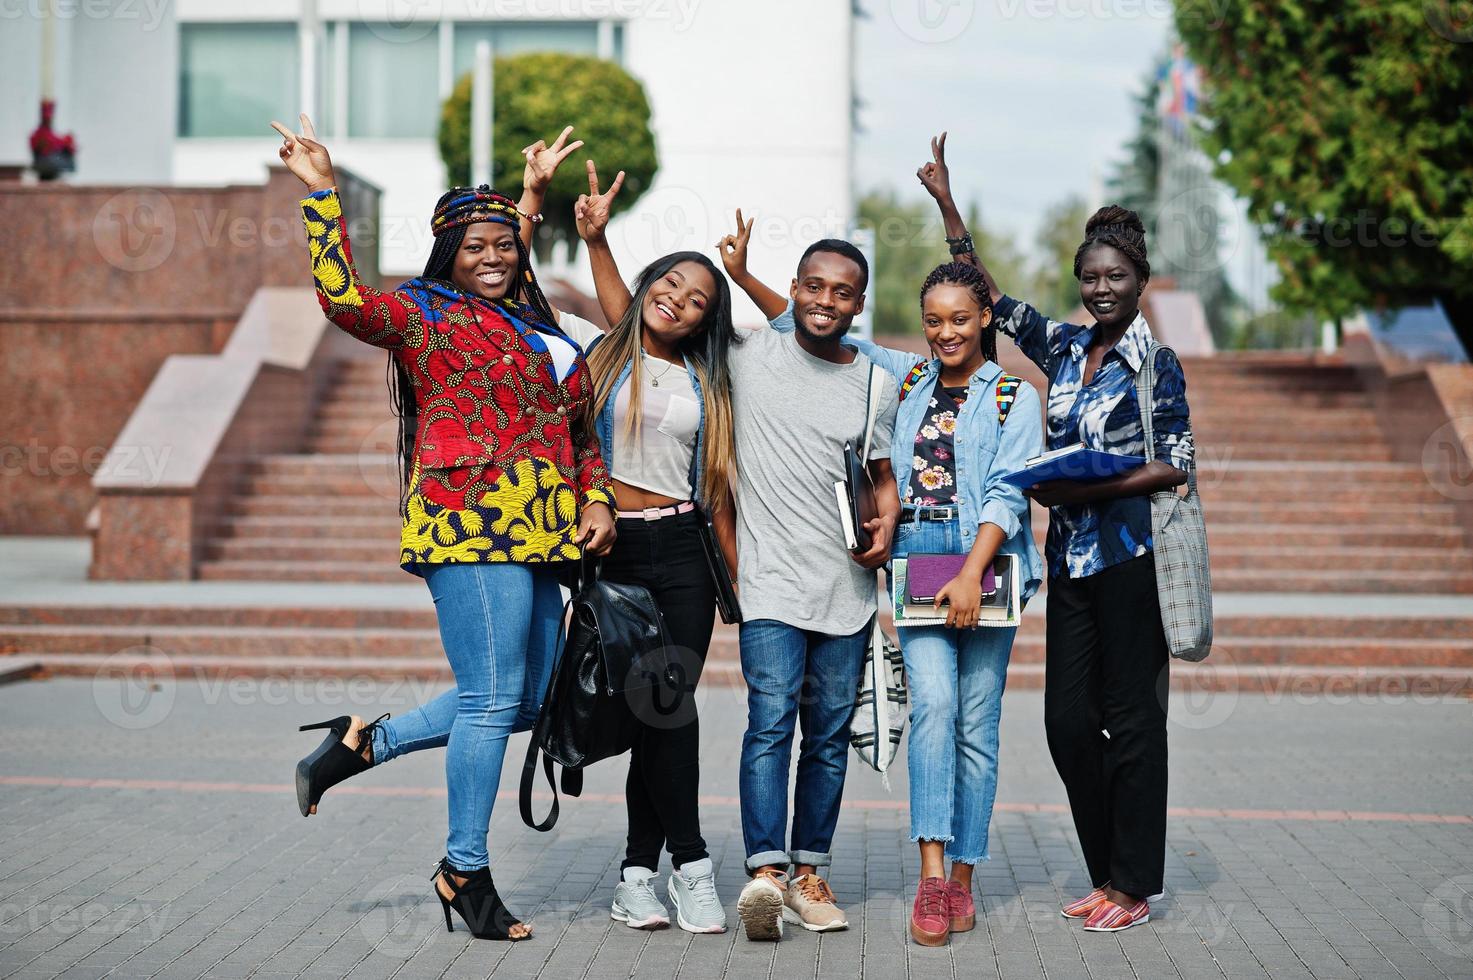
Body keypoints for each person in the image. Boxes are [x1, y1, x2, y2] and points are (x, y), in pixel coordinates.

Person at [274, 115, 616, 943]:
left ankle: (365, 742)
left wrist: (597, 497)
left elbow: (579, 431)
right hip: (463, 525)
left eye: (505, 245)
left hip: (545, 533)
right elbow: (344, 301)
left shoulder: (542, 329)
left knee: (525, 699)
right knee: (496, 699)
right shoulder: (423, 314)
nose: (493, 257)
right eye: (475, 247)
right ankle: (464, 869)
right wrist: (324, 193)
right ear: (446, 257)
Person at [720, 208, 1044, 944]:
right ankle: (930, 880)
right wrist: (743, 276)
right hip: (919, 558)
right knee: (930, 707)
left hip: (987, 561)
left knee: (978, 725)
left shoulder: (1012, 398)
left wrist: (972, 571)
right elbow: (814, 327)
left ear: (982, 317)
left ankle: (964, 874)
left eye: (960, 319)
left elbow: (1007, 492)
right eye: (932, 320)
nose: (946, 333)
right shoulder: (905, 378)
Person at [918, 132, 1193, 933]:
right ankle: (1106, 871)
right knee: (1067, 721)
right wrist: (946, 205)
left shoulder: (1155, 364)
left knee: (1134, 721)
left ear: (1139, 281)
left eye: (1115, 277)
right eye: (1089, 277)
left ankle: (1131, 886)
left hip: (1131, 556)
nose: (1100, 287)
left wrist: (1087, 478)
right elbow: (988, 299)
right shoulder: (1066, 347)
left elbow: (1173, 463)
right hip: (1068, 560)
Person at [537, 159, 739, 935]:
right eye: (672, 285)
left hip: (682, 553)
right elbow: (620, 307)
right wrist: (593, 238)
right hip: (612, 556)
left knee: (666, 709)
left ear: (703, 322)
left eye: (696, 301)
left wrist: (742, 594)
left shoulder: (706, 381)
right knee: (656, 710)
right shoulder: (602, 349)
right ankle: (685, 866)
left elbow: (720, 493)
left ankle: (638, 878)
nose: (679, 302)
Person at [710, 221, 902, 940]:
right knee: (768, 726)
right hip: (768, 586)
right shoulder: (747, 354)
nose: (826, 300)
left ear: (858, 303)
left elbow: (882, 480)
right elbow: (634, 317)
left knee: (825, 737)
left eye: (842, 292)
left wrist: (886, 527)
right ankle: (765, 873)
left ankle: (809, 872)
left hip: (845, 595)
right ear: (791, 292)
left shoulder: (874, 386)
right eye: (814, 287)